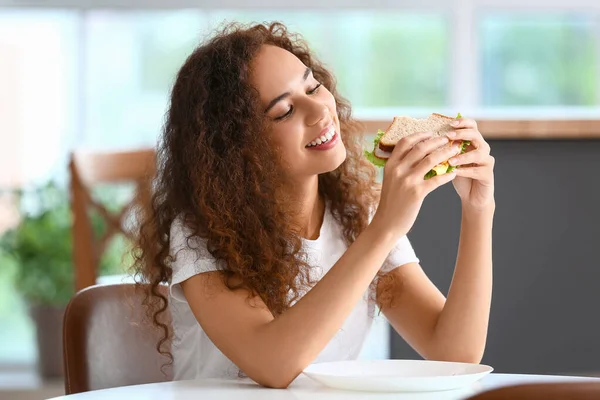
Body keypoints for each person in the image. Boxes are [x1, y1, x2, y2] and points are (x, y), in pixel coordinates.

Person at [133, 22, 495, 389]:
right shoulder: (198, 232)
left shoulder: (354, 217)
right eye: (285, 110)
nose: (320, 110)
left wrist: (478, 210)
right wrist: (385, 228)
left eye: (313, 87)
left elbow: (455, 354)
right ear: (235, 147)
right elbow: (273, 364)